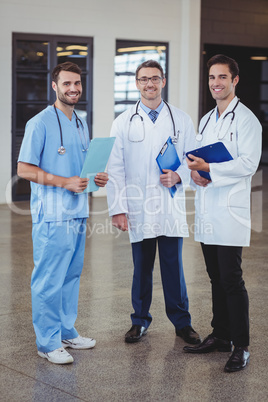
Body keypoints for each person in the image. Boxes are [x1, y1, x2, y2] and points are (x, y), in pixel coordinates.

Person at [17, 62, 108, 365]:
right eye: (67, 84)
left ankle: (67, 331)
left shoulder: (80, 123)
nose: (73, 89)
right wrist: (64, 182)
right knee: (49, 279)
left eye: (77, 84)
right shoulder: (39, 123)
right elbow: (24, 169)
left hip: (78, 211)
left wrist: (97, 177)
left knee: (71, 276)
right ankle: (47, 342)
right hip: (53, 215)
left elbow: (80, 169)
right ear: (54, 86)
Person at [106, 59, 201, 345]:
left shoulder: (181, 119)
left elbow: (193, 160)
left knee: (174, 268)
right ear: (137, 83)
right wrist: (118, 209)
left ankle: (182, 323)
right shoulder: (123, 121)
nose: (149, 84)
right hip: (138, 206)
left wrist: (179, 175)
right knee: (141, 268)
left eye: (155, 78)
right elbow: (115, 168)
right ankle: (140, 321)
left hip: (169, 205)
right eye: (144, 79)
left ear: (163, 81)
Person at [185, 54, 262, 372]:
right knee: (215, 277)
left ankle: (241, 345)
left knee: (231, 278)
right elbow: (198, 158)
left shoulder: (246, 120)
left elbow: (248, 164)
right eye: (212, 78)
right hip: (207, 206)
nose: (216, 83)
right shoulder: (205, 119)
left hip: (230, 210)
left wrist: (210, 169)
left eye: (222, 77)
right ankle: (221, 335)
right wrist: (196, 172)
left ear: (235, 80)